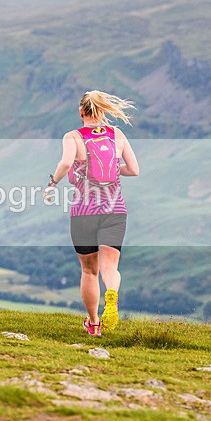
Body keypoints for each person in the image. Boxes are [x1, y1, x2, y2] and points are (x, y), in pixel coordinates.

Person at [45, 91, 139, 336]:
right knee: (110, 268)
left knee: (89, 270)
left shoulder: (73, 137)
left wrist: (52, 183)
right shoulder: (117, 134)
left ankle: (94, 323)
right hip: (115, 210)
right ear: (103, 111)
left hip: (84, 212)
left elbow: (66, 163)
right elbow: (133, 169)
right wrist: (113, 168)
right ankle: (112, 294)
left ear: (81, 112)